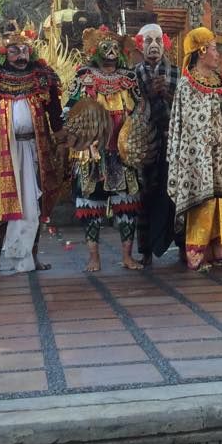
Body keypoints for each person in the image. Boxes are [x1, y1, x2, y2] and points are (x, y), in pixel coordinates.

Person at [0, 28, 68, 274]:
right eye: (14, 50)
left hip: (36, 149)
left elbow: (55, 113)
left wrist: (63, 141)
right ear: (3, 52)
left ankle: (31, 257)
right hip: (0, 148)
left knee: (34, 203)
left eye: (24, 50)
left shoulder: (42, 77)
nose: (21, 55)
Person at [67, 26, 149, 272]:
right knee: (90, 204)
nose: (111, 52)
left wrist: (136, 129)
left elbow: (141, 106)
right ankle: (94, 257)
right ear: (95, 50)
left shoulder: (129, 77)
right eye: (105, 46)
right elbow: (70, 107)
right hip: (92, 152)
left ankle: (127, 256)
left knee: (128, 204)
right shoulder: (84, 76)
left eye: (115, 47)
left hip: (123, 150)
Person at [166, 27, 222, 270]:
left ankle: (216, 251)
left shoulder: (219, 81)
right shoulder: (187, 84)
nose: (218, 54)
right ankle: (197, 255)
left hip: (220, 153)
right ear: (202, 51)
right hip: (198, 155)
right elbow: (189, 125)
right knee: (202, 202)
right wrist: (206, 144)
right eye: (215, 49)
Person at [133, 22, 181, 264]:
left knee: (177, 194)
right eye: (148, 41)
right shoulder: (133, 75)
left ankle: (183, 246)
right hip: (146, 143)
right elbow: (132, 108)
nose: (154, 45)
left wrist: (167, 95)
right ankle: (146, 252)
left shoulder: (177, 73)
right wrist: (150, 94)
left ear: (165, 44)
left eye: (158, 40)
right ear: (140, 46)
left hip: (173, 141)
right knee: (146, 195)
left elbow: (185, 106)